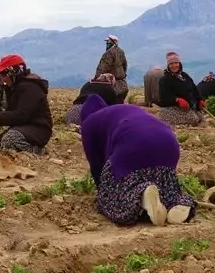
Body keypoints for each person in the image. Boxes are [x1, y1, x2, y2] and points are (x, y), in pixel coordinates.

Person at [79, 95, 196, 226]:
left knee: (110, 194)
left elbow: (96, 164)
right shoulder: (124, 110)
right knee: (166, 187)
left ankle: (142, 195)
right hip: (168, 142)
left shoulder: (89, 123)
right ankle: (177, 204)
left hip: (134, 146)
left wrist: (103, 189)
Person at [0, 55, 52, 153]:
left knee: (9, 140)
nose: (2, 79)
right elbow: (12, 113)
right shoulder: (15, 87)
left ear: (13, 72)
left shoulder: (30, 87)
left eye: (4, 75)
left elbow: (21, 115)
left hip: (39, 129)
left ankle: (37, 150)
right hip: (24, 126)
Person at [154, 52, 205, 127]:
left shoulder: (184, 76)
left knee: (200, 116)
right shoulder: (165, 79)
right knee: (193, 119)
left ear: (179, 64)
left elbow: (194, 88)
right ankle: (164, 119)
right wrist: (177, 100)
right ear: (168, 65)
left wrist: (200, 99)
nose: (174, 66)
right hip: (171, 108)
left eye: (176, 63)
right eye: (171, 64)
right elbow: (164, 97)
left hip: (187, 107)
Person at [94, 36, 129, 103]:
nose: (107, 44)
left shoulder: (108, 53)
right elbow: (125, 65)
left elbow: (102, 67)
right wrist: (123, 75)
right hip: (122, 84)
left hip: (111, 84)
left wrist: (97, 78)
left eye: (108, 42)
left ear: (113, 42)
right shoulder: (121, 51)